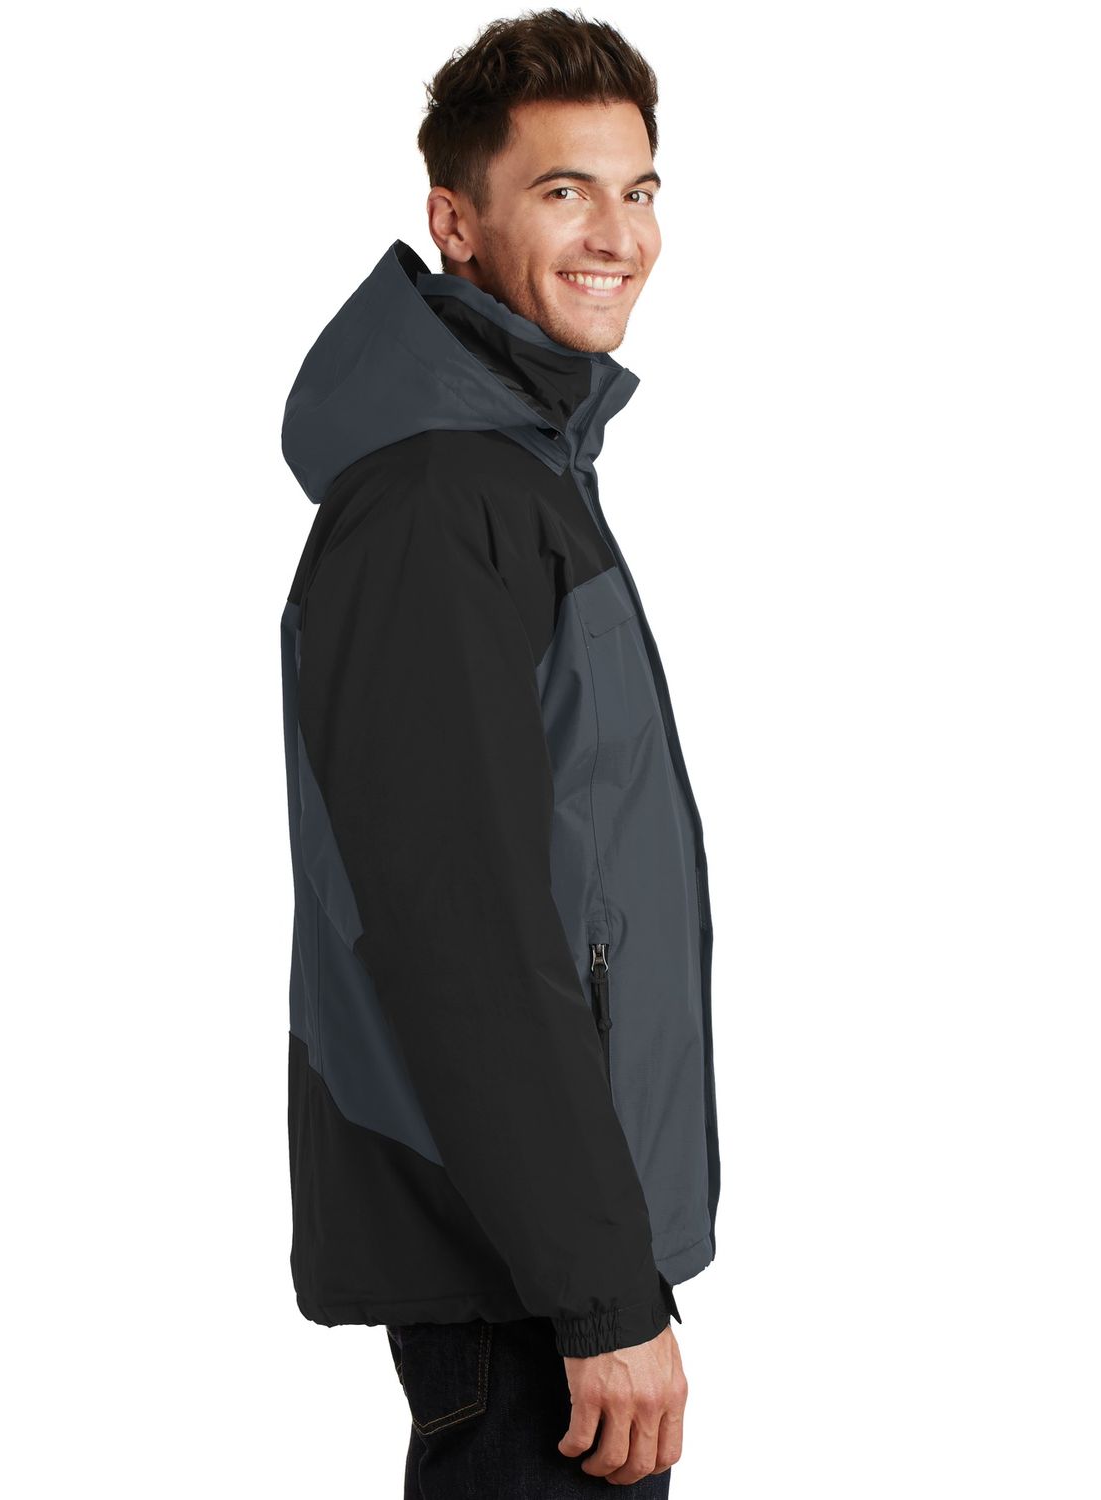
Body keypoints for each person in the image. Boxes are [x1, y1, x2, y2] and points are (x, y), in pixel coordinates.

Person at [278, 9, 719, 1494]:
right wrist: (601, 1294)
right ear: (454, 222)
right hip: (521, 1282)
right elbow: (459, 928)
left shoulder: (517, 478)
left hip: (546, 1258)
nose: (617, 234)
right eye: (563, 190)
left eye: (638, 189)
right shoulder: (437, 503)